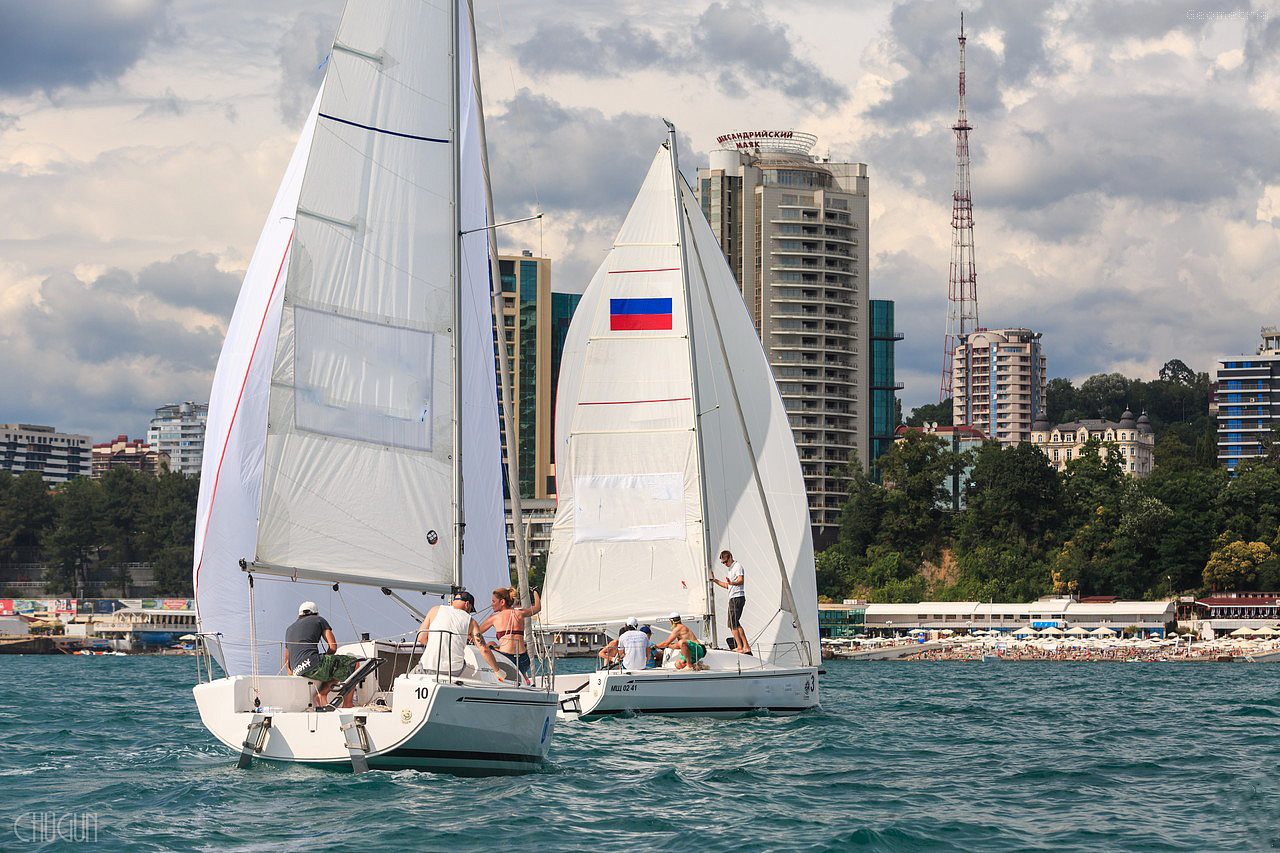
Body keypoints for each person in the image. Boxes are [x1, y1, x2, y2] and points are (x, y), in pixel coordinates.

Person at [415, 590, 505, 681]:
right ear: (467, 604)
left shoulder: (435, 610)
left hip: (428, 666)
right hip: (453, 670)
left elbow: (421, 638)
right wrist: (497, 671)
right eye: (470, 610)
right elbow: (484, 649)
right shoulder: (471, 622)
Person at [283, 601, 360, 707]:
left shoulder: (289, 629)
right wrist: (326, 657)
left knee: (336, 668)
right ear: (316, 613)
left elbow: (287, 660)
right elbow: (333, 647)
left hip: (297, 670)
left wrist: (294, 673)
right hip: (313, 664)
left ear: (299, 615)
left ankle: (322, 696)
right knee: (353, 663)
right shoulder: (319, 620)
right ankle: (346, 703)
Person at [476, 586, 541, 681]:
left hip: (506, 659)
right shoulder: (520, 613)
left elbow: (475, 633)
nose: (491, 605)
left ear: (502, 602)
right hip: (524, 660)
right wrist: (535, 591)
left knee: (490, 644)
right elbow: (537, 608)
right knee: (494, 645)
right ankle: (525, 678)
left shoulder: (494, 618)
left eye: (494, 602)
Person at [710, 549, 751, 654]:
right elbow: (728, 586)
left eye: (725, 562)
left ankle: (741, 646)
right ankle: (744, 646)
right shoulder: (730, 569)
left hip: (737, 598)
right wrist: (715, 580)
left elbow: (740, 580)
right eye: (722, 562)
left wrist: (732, 582)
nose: (724, 564)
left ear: (730, 557)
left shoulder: (737, 566)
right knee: (734, 623)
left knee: (732, 624)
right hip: (733, 598)